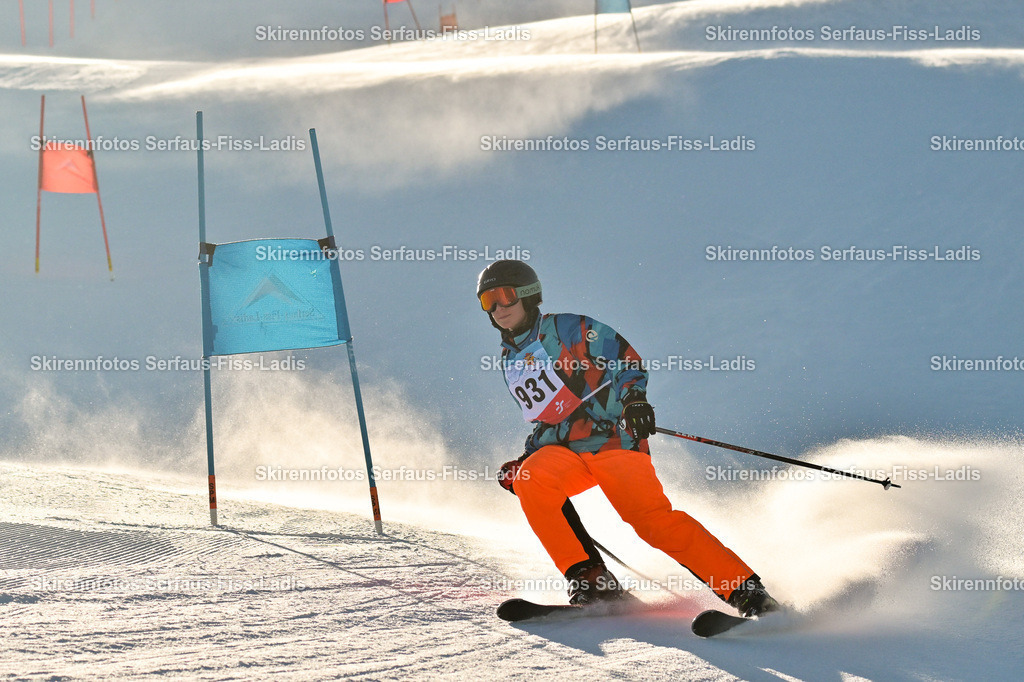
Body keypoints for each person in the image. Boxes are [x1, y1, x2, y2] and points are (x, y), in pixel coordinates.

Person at [478, 259, 778, 616]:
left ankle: (747, 593)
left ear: (528, 295)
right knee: (531, 477)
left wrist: (634, 399)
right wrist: (526, 457)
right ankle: (593, 583)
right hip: (565, 451)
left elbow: (623, 358)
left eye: (505, 296)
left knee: (652, 522)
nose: (498, 307)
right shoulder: (510, 359)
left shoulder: (567, 328)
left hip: (612, 439)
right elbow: (546, 416)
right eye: (487, 301)